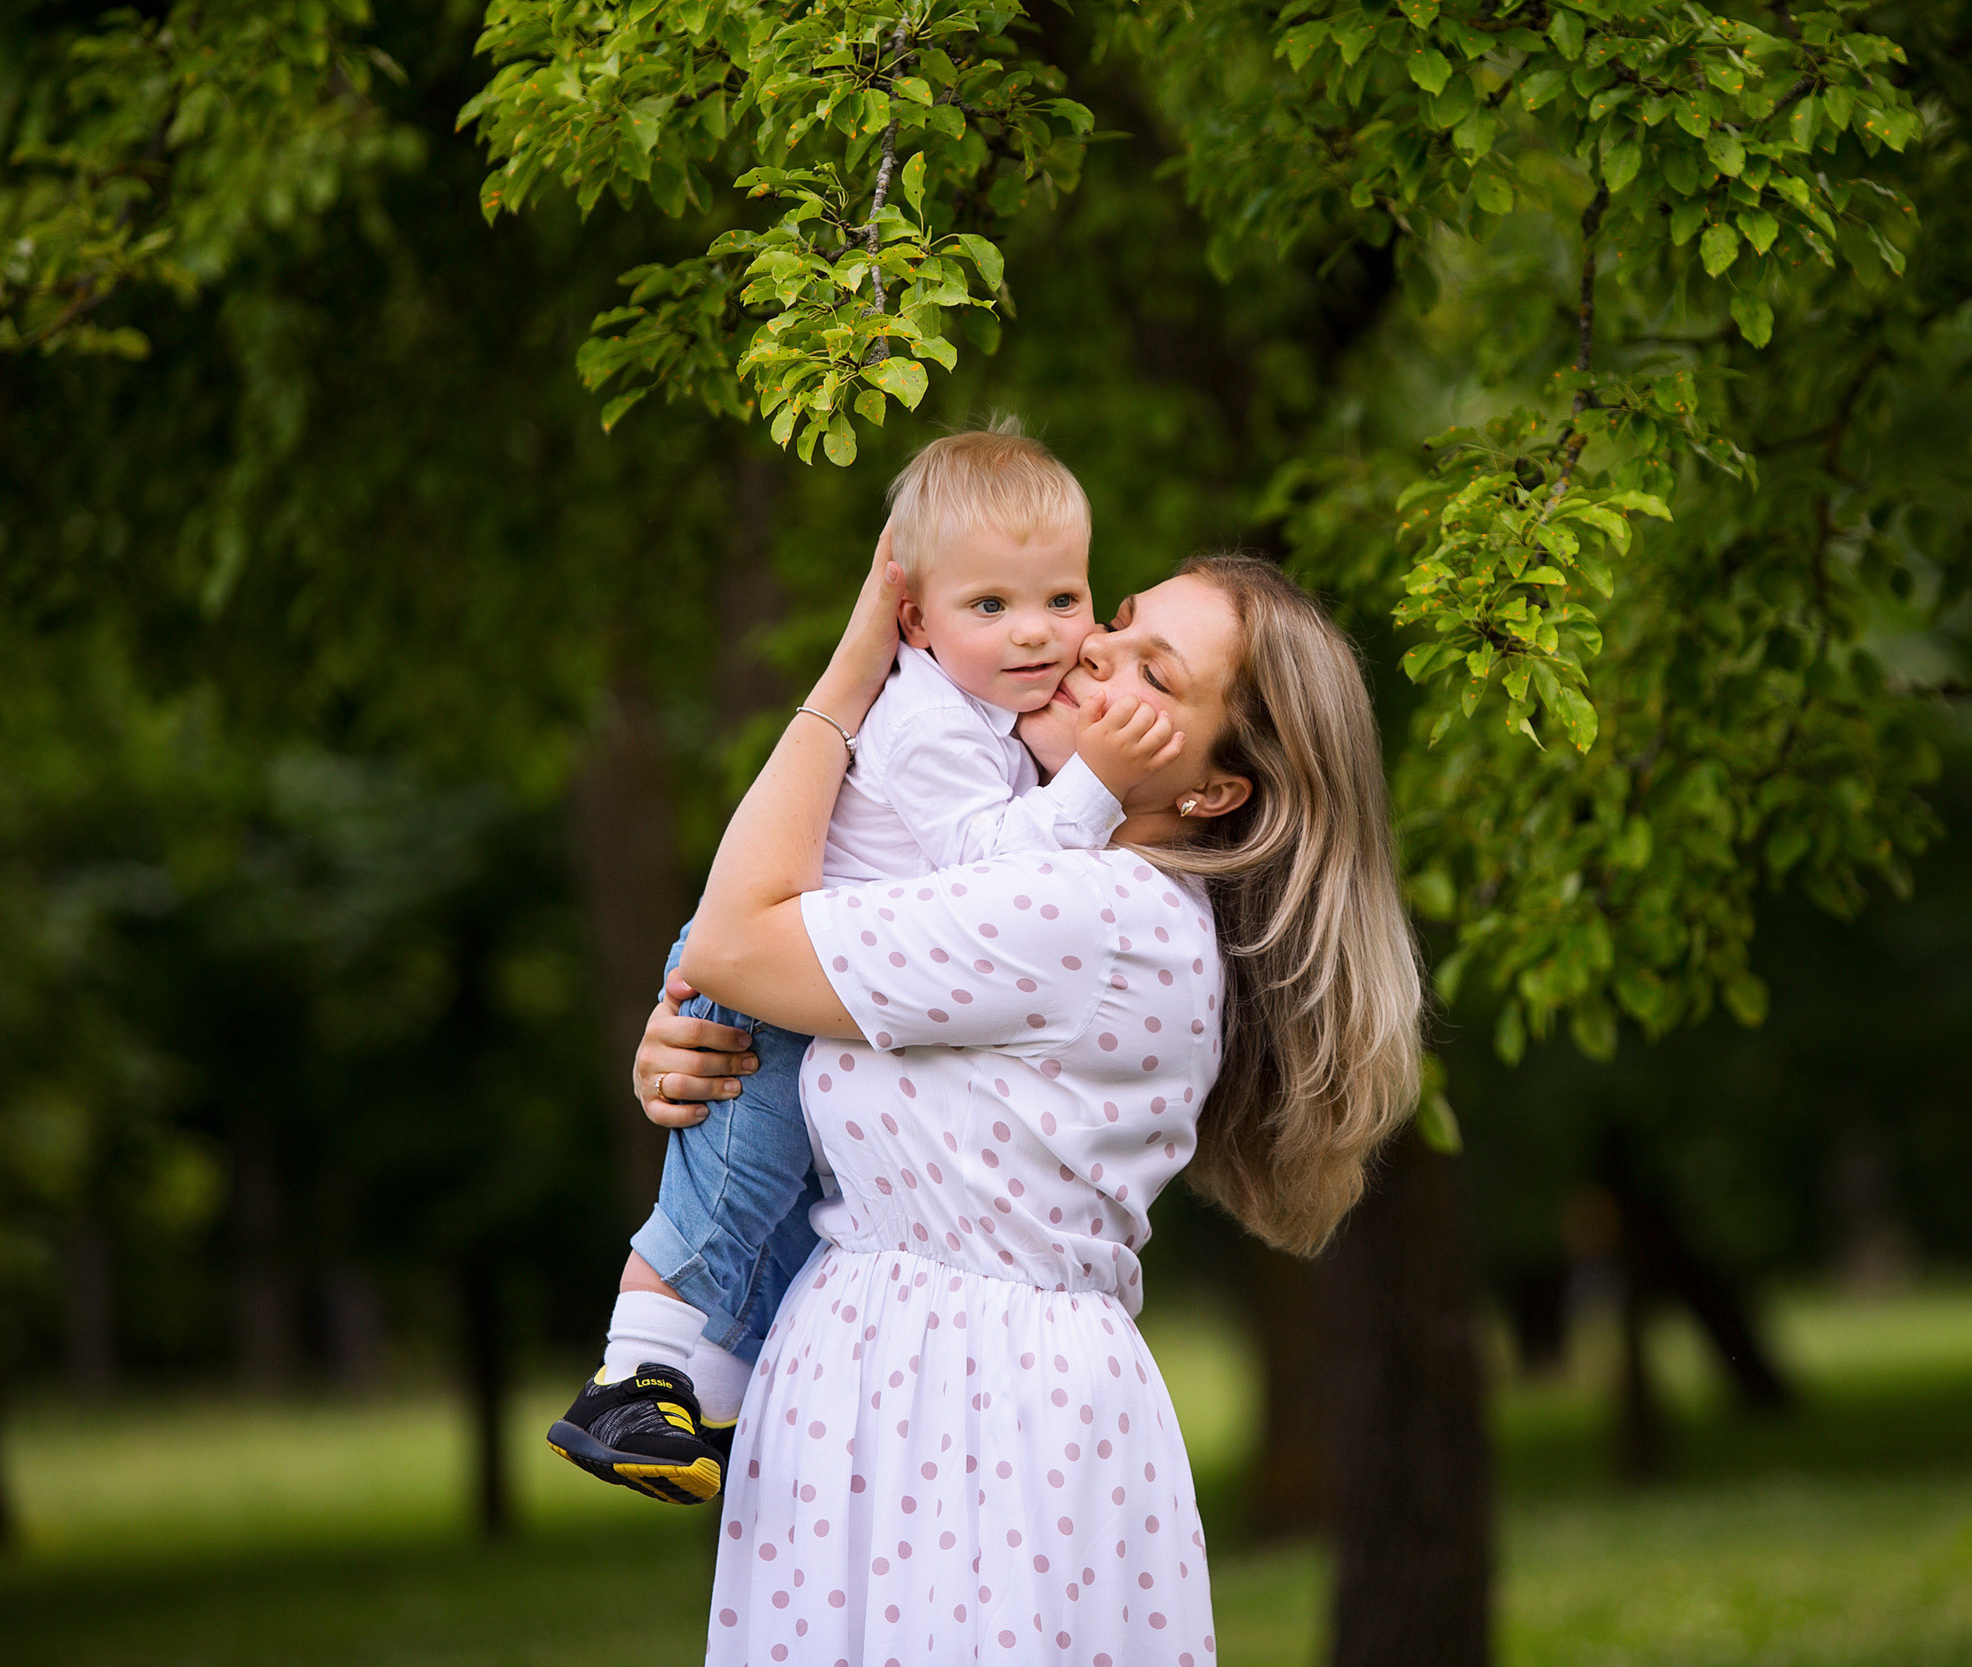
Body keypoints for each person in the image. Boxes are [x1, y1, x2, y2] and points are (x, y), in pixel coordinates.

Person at [629, 536, 1424, 1663]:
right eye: (1122, 621)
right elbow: (856, 1079)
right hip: (896, 1386)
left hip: (958, 1410)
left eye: (1157, 676)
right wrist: (695, 1047)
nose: (1088, 655)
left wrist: (858, 664)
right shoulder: (1028, 871)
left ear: (1209, 789)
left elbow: (735, 935)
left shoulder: (1091, 909)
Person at [550, 426, 1188, 1505]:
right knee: (735, 1183)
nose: (1038, 635)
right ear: (914, 618)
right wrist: (1100, 787)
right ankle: (631, 1375)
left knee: (778, 1192)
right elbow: (982, 874)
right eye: (990, 606)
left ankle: (698, 1393)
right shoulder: (933, 721)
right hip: (778, 975)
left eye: (1063, 599)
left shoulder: (998, 714)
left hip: (828, 970)